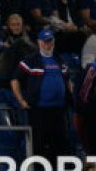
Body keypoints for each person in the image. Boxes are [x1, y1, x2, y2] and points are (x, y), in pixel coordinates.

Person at [13, 28, 71, 159]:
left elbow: (67, 80)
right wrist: (21, 100)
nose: (47, 44)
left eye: (50, 41)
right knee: (39, 145)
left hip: (58, 110)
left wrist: (69, 96)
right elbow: (15, 79)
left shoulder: (59, 59)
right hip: (39, 110)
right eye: (45, 41)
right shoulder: (31, 59)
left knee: (60, 145)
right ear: (39, 42)